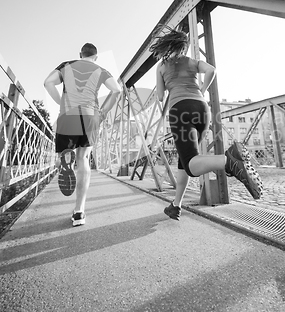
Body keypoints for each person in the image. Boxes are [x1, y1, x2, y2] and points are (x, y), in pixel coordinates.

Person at [149, 27, 263, 221]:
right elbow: (211, 70)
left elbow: (160, 97)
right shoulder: (192, 61)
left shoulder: (161, 66)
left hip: (180, 111)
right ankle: (176, 205)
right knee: (184, 163)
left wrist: (166, 84)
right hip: (202, 109)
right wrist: (201, 88)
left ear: (168, 45)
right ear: (183, 47)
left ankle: (229, 161)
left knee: (192, 165)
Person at [44, 43, 121, 227]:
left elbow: (47, 82)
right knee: (84, 158)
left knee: (67, 153)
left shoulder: (66, 65)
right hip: (90, 116)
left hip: (68, 114)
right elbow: (116, 90)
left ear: (81, 54)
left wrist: (61, 102)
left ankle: (64, 159)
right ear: (96, 57)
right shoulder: (101, 69)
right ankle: (79, 212)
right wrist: (102, 113)